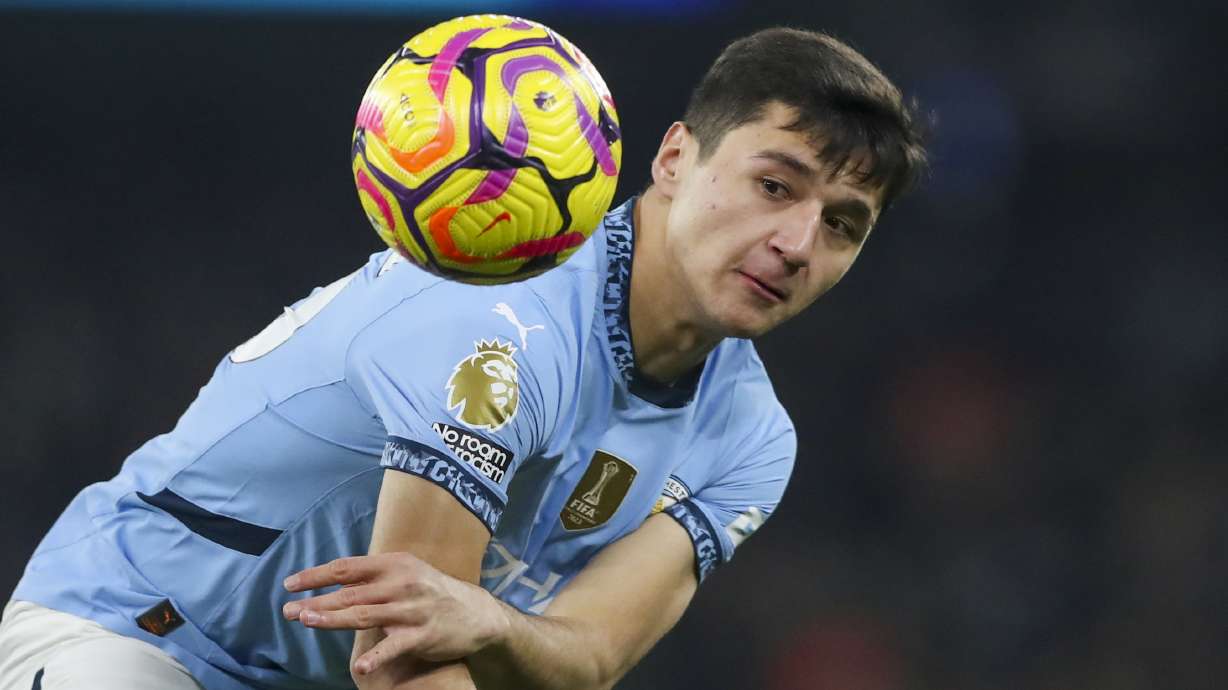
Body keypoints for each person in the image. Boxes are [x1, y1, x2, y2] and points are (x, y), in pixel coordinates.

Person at [0, 26, 926, 690]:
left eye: (843, 225)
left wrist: (495, 623)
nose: (798, 241)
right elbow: (402, 656)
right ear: (677, 157)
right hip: (144, 634)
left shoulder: (752, 440)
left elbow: (590, 655)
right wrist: (498, 633)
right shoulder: (502, 310)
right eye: (775, 185)